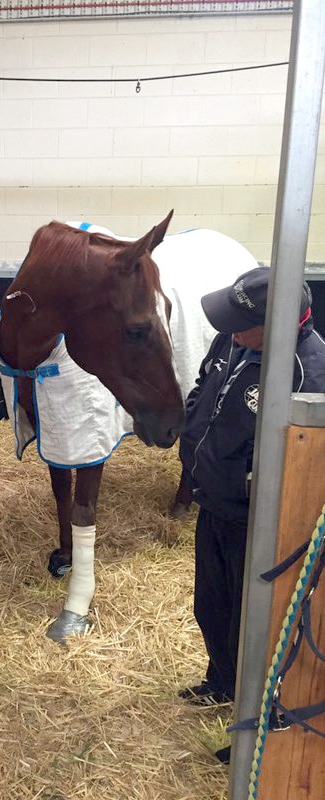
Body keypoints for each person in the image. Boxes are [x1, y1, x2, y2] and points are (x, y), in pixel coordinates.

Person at [175, 267, 325, 718]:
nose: (231, 334)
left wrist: (246, 480)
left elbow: (307, 462)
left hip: (259, 524)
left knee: (255, 622)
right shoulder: (235, 340)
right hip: (214, 504)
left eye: (242, 325)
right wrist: (194, 417)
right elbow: (206, 382)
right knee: (213, 607)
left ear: (278, 324)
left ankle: (255, 717)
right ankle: (222, 681)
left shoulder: (310, 372)